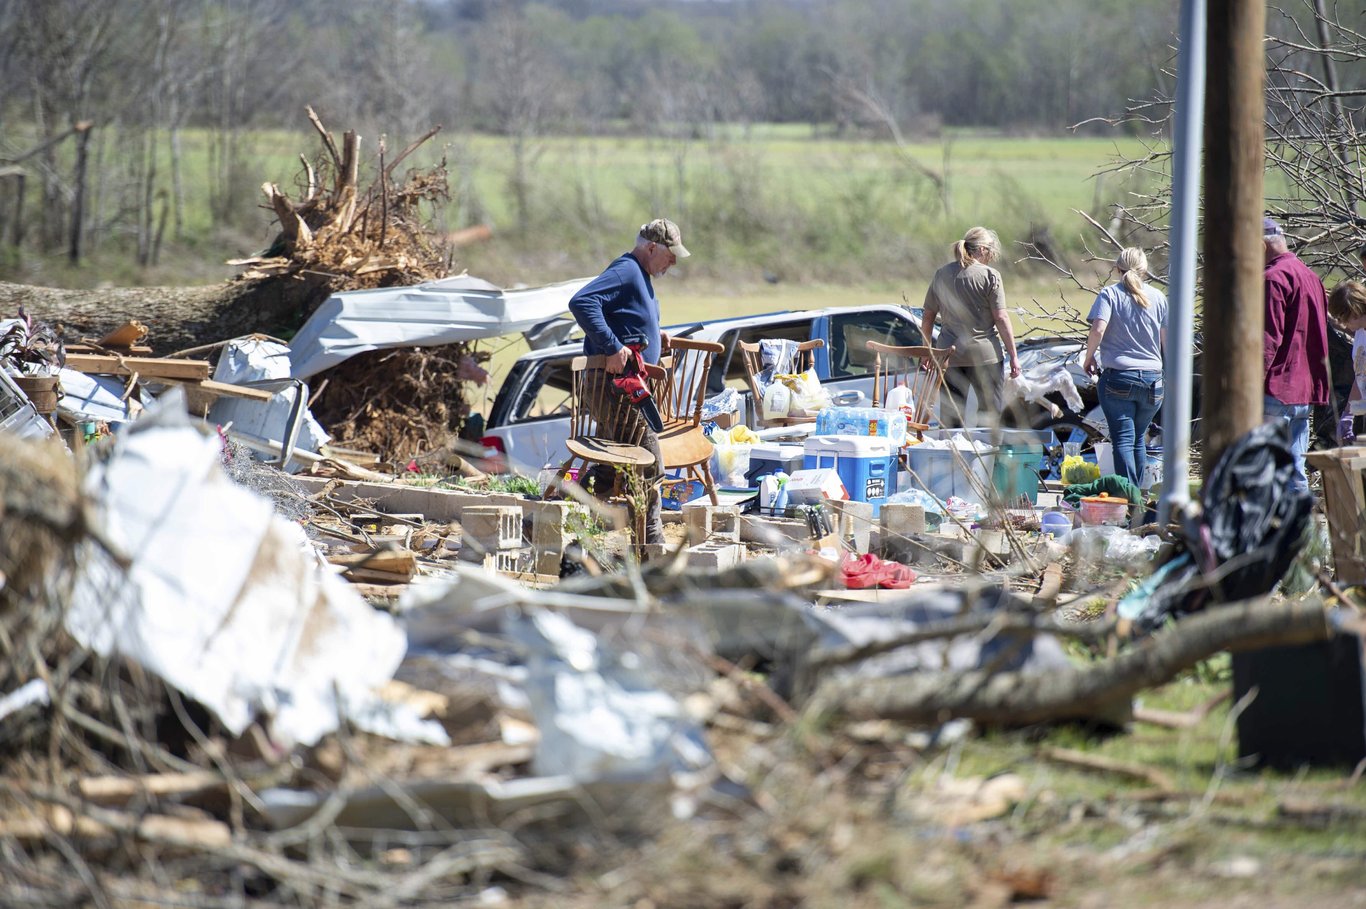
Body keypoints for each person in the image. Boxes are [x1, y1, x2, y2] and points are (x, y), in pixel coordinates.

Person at [567, 218, 689, 545]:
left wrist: (655, 335)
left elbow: (623, 319)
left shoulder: (639, 275)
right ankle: (651, 544)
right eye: (670, 255)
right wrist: (612, 346)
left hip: (620, 388)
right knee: (650, 465)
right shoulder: (627, 270)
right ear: (651, 247)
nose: (673, 262)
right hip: (617, 389)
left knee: (609, 471)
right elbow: (582, 302)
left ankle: (550, 517)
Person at [1081, 247, 1169, 489]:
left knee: (1123, 440)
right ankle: (1138, 496)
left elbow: (1098, 329)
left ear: (1117, 269)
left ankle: (1128, 498)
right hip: (1153, 381)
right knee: (1138, 439)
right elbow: (1167, 342)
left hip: (1119, 378)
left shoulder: (1110, 294)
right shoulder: (1159, 297)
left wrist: (1089, 357)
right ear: (1145, 271)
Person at [920, 226, 1021, 428]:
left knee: (951, 418)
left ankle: (952, 449)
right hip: (985, 356)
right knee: (988, 416)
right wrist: (1014, 356)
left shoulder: (941, 275)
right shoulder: (990, 276)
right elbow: (1001, 317)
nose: (991, 255)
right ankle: (984, 449)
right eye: (990, 250)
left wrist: (926, 350)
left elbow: (928, 316)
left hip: (949, 356)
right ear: (982, 249)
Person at [1262, 217, 1330, 492]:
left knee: (1267, 472)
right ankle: (1302, 520)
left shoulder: (1272, 279)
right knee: (1296, 473)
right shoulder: (1311, 277)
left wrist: (1247, 385)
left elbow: (1268, 338)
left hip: (1275, 388)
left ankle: (1272, 520)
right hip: (1303, 390)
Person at [1327, 278, 1366, 443]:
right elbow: (1360, 377)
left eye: (1342, 317)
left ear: (1354, 310)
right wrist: (1348, 414)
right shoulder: (1360, 334)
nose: (1341, 324)